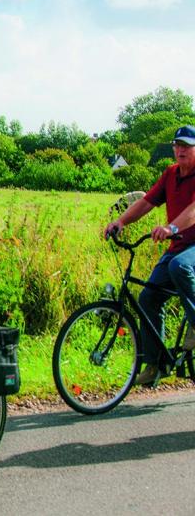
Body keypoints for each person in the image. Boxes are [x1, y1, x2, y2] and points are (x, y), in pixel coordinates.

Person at [104, 125, 195, 386]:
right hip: (177, 247)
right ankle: (156, 365)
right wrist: (120, 222)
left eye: (186, 146)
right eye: (177, 145)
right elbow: (147, 202)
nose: (180, 150)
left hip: (191, 248)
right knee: (148, 299)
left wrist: (171, 228)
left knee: (180, 266)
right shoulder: (170, 174)